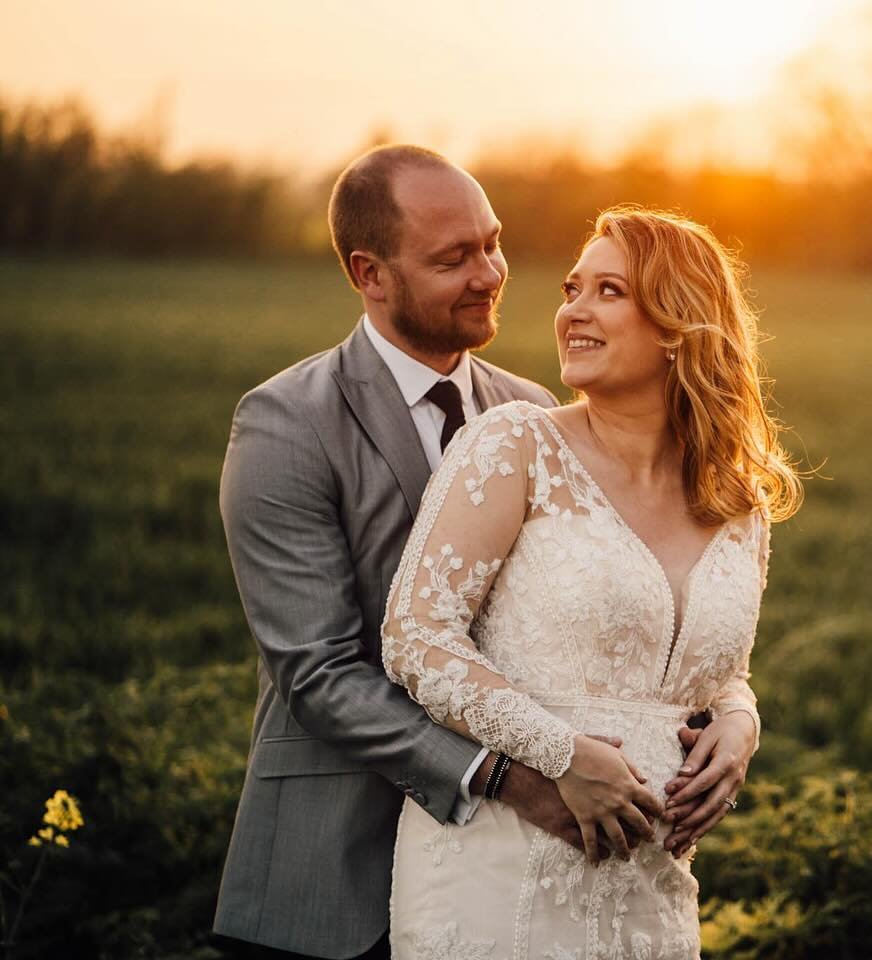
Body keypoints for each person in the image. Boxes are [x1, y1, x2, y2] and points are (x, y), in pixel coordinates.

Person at [213, 146, 763, 959]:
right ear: (372, 273)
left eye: (492, 244)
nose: (491, 274)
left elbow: (662, 642)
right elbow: (320, 670)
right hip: (337, 861)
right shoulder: (287, 423)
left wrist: (737, 717)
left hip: (600, 857)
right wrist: (513, 776)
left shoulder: (536, 410)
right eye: (453, 258)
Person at [382, 206, 801, 959]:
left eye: (609, 291)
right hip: (500, 871)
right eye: (573, 289)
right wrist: (559, 752)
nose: (573, 309)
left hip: (650, 889)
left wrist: (741, 724)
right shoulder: (515, 445)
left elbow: (720, 671)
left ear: (679, 325)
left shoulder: (735, 498)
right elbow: (415, 638)